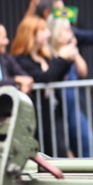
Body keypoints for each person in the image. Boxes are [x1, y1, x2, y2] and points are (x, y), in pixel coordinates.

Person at [11, 16, 78, 157]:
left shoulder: (45, 56)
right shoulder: (21, 60)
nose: (48, 33)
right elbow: (43, 78)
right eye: (43, 30)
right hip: (34, 116)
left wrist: (68, 60)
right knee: (40, 153)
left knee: (59, 152)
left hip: (51, 112)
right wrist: (61, 58)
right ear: (31, 34)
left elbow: (56, 75)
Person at [48, 16, 93, 157]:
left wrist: (74, 51)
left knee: (88, 142)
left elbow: (83, 71)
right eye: (67, 30)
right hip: (57, 110)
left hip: (73, 107)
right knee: (60, 150)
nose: (71, 33)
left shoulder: (70, 51)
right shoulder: (49, 52)